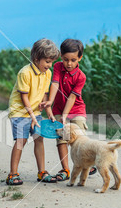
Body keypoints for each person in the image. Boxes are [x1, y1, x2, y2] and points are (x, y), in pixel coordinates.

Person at [40, 38, 96, 181]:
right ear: (61, 57)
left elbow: (72, 98)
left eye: (73, 60)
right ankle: (65, 170)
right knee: (61, 139)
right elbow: (55, 83)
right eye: (65, 59)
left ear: (80, 58)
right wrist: (50, 101)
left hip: (76, 109)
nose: (69, 63)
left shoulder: (81, 77)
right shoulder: (58, 67)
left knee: (80, 139)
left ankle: (87, 165)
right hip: (58, 107)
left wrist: (65, 115)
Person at [6, 38, 60, 185]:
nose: (50, 65)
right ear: (37, 58)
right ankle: (13, 174)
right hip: (20, 111)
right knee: (21, 141)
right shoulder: (25, 73)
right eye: (47, 61)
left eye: (52, 62)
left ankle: (42, 171)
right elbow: (24, 97)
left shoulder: (47, 73)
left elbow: (44, 93)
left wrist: (48, 111)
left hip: (35, 111)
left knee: (39, 138)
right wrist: (31, 116)